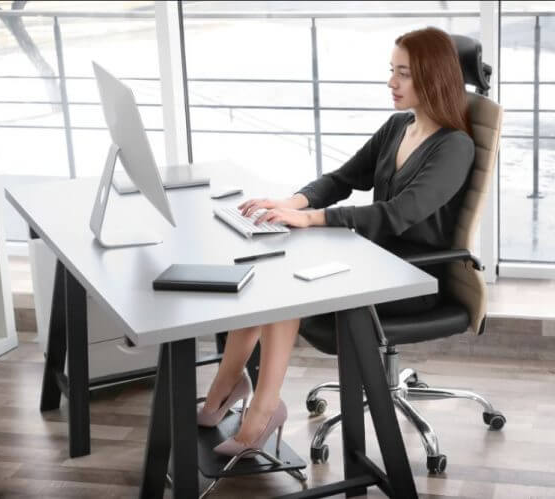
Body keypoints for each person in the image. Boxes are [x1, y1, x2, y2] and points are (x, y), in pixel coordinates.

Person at [202, 26, 476, 458]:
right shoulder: (398, 127)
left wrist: (310, 219)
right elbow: (343, 179)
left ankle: (263, 411)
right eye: (392, 71)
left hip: (412, 280)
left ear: (433, 77)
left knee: (283, 289)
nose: (391, 83)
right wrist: (292, 201)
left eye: (403, 74)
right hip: (372, 261)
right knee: (265, 270)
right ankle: (228, 384)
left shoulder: (455, 147)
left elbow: (397, 214)